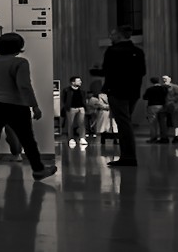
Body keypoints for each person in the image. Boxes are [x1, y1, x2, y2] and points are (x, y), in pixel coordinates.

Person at [0, 32, 57, 181]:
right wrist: (34, 106)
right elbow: (24, 86)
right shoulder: (20, 63)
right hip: (15, 105)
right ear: (18, 47)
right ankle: (38, 170)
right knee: (27, 139)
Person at [92, 26, 146, 169]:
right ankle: (128, 156)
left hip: (117, 91)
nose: (110, 36)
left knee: (123, 123)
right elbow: (142, 71)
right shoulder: (138, 51)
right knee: (125, 122)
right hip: (133, 92)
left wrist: (95, 71)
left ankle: (128, 156)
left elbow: (107, 71)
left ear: (119, 35)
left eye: (113, 34)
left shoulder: (112, 51)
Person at [62, 75, 89, 147]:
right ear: (73, 82)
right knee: (70, 124)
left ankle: (82, 138)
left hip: (81, 108)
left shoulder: (82, 91)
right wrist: (66, 107)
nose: (80, 82)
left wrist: (84, 107)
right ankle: (71, 138)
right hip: (71, 108)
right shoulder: (66, 90)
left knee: (82, 123)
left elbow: (84, 99)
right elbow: (64, 100)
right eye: (78, 81)